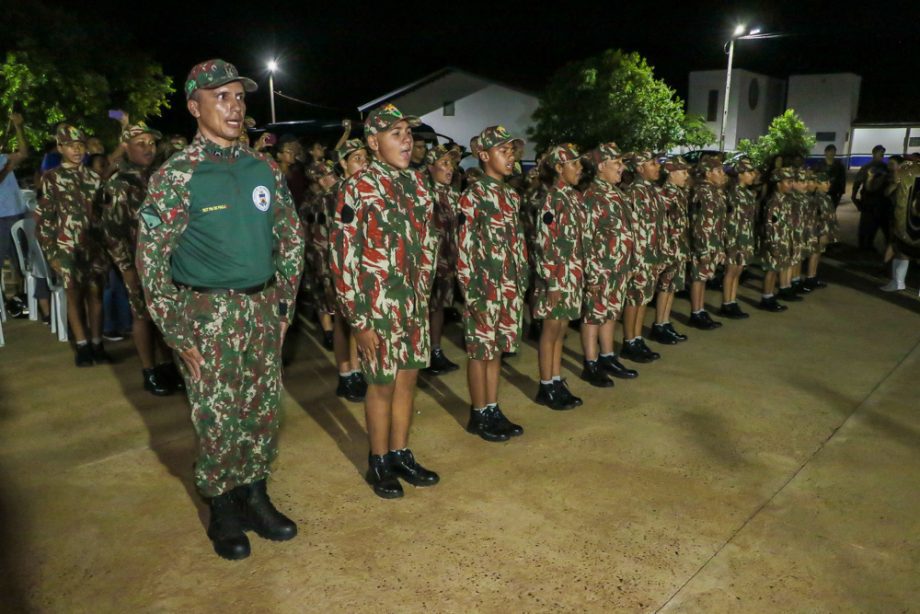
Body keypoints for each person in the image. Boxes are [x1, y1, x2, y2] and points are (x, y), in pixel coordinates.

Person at [136, 59, 305, 560]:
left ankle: (256, 494)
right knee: (216, 417)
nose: (234, 107)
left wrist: (282, 308)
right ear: (195, 107)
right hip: (206, 315)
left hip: (260, 309)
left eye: (238, 97)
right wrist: (175, 330)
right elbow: (151, 258)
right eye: (221, 97)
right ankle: (223, 504)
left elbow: (291, 239)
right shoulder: (177, 176)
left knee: (260, 410)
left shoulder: (263, 168)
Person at [330, 103, 439, 499]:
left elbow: (429, 244)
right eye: (396, 133)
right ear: (374, 142)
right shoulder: (356, 188)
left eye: (408, 133)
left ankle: (400, 453)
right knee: (380, 384)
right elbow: (343, 258)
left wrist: (423, 295)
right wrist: (358, 320)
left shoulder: (417, 184)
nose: (406, 139)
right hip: (375, 308)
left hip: (412, 304)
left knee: (408, 379)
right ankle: (378, 461)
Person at [102, 122, 183, 395]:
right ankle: (149, 371)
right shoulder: (119, 184)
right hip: (138, 262)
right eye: (141, 144)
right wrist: (125, 268)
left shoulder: (158, 176)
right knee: (142, 315)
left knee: (165, 314)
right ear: (126, 147)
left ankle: (167, 364)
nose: (149, 148)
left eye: (151, 143)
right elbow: (112, 233)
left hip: (166, 258)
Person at [457, 126, 527, 440]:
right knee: (480, 351)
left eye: (511, 151)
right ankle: (478, 412)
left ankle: (493, 407)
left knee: (497, 349)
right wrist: (471, 292)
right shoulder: (474, 195)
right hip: (483, 289)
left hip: (509, 287)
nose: (509, 156)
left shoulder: (511, 195)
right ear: (484, 156)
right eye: (503, 151)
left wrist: (521, 282)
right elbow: (463, 247)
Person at [35, 124, 112, 366]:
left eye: (80, 144)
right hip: (67, 247)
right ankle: (82, 345)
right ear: (60, 148)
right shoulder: (52, 178)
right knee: (74, 296)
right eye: (70, 145)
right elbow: (45, 219)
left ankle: (98, 343)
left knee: (96, 294)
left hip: (94, 246)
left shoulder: (93, 177)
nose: (77, 149)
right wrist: (52, 253)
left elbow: (104, 213)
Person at [579, 143, 639, 385]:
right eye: (617, 163)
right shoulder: (592, 195)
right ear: (601, 166)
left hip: (618, 267)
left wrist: (631, 262)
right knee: (593, 316)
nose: (622, 168)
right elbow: (586, 238)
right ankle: (590, 363)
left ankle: (607, 356)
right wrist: (591, 274)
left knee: (611, 312)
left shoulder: (616, 192)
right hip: (601, 268)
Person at [533, 143, 586, 410]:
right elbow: (545, 243)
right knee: (551, 330)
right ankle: (546, 385)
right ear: (558, 168)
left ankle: (555, 380)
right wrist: (552, 282)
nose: (580, 168)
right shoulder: (552, 200)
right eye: (574, 164)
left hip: (571, 274)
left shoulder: (572, 197)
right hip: (556, 277)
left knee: (562, 329)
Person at [330, 138, 370, 401]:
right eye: (356, 158)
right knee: (343, 323)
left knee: (358, 320)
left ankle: (357, 370)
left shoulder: (364, 189)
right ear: (343, 163)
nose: (364, 162)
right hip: (337, 267)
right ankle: (346, 374)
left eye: (365, 157)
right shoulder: (336, 192)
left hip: (361, 266)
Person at [620, 151, 666, 362]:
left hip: (652, 255)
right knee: (634, 298)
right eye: (652, 163)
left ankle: (637, 338)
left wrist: (661, 253)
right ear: (639, 169)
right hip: (639, 257)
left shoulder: (653, 191)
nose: (657, 166)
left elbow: (659, 225)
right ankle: (629, 341)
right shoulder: (634, 193)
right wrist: (636, 260)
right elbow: (633, 230)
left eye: (657, 162)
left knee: (644, 298)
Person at [424, 144, 462, 376]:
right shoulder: (422, 195)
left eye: (452, 164)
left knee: (438, 307)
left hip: (447, 263)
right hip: (428, 265)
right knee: (424, 309)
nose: (451, 169)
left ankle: (435, 351)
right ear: (431, 167)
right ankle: (421, 354)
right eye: (445, 163)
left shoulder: (454, 195)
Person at [649, 156, 691, 344]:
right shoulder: (666, 193)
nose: (687, 176)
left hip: (678, 247)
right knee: (665, 287)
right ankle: (659, 324)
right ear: (672, 173)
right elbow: (661, 223)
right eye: (683, 172)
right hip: (669, 248)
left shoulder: (679, 192)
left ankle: (665, 322)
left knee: (672, 286)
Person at [687, 157, 727, 329]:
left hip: (713, 241)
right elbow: (699, 223)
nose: (722, 175)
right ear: (708, 173)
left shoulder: (714, 191)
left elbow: (719, 221)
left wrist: (720, 246)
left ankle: (701, 310)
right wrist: (702, 249)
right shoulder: (703, 191)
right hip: (703, 243)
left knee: (703, 278)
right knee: (698, 277)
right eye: (719, 171)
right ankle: (696, 312)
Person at [720, 158, 759, 318]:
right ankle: (726, 303)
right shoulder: (732, 194)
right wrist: (728, 241)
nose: (753, 175)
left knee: (738, 271)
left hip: (745, 237)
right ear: (740, 175)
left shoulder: (748, 194)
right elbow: (728, 220)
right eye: (750, 172)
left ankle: (732, 301)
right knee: (731, 271)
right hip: (734, 238)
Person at [757, 167, 796, 312]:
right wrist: (774, 245)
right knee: (771, 270)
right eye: (788, 181)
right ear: (778, 183)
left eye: (792, 181)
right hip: (774, 242)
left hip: (783, 240)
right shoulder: (774, 202)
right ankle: (766, 298)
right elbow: (770, 226)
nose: (791, 184)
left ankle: (770, 296)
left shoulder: (785, 200)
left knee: (775, 269)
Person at [0, 112, 29, 299]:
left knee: (20, 257)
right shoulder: (5, 163)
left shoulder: (3, 157)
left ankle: (19, 296)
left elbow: (24, 153)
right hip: (2, 216)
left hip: (18, 212)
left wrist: (19, 127)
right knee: (5, 260)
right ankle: (9, 298)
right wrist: (7, 169)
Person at [852, 145, 890, 251]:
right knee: (866, 223)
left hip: (881, 200)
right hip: (869, 199)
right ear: (874, 153)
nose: (882, 154)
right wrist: (854, 196)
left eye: (883, 152)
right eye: (880, 152)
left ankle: (869, 244)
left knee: (878, 223)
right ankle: (862, 245)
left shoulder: (885, 167)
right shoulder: (867, 167)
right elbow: (857, 182)